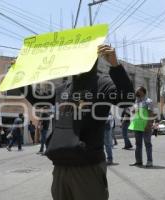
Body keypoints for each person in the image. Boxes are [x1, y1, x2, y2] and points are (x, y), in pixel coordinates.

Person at [17, 44, 135, 200]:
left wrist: (115, 65)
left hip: (87, 168)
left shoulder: (102, 83)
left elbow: (126, 100)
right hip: (60, 167)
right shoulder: (64, 87)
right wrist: (19, 77)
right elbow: (38, 101)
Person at [129, 86, 154, 168]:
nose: (136, 91)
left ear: (143, 91)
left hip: (146, 126)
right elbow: (134, 112)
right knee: (138, 144)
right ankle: (138, 161)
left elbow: (150, 113)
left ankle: (149, 161)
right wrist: (134, 110)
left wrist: (148, 124)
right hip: (137, 125)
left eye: (138, 90)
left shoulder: (148, 101)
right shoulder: (136, 102)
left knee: (147, 143)